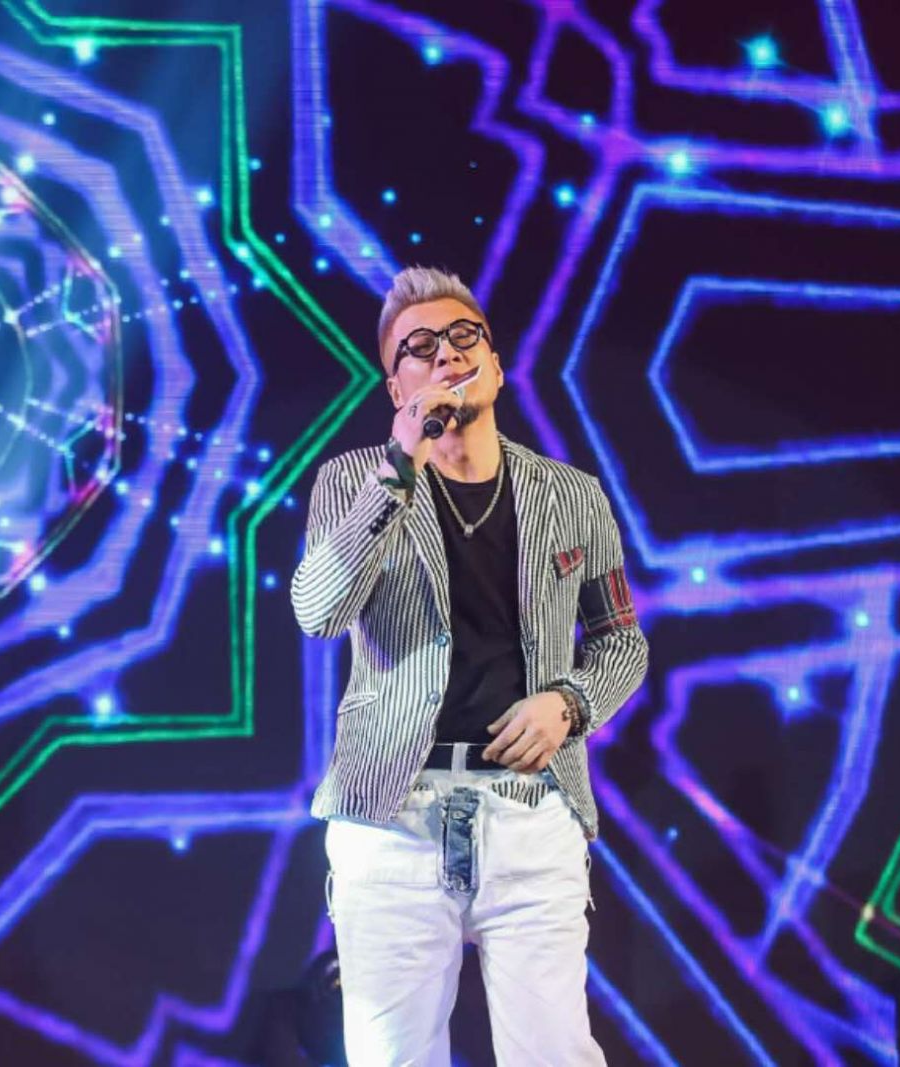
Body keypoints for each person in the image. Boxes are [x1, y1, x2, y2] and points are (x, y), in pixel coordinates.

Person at [291, 266, 649, 1065]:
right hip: (392, 815)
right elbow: (318, 610)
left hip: (531, 810)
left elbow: (623, 641)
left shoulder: (573, 495)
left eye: (463, 337)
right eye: (420, 347)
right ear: (397, 388)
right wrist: (399, 467)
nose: (447, 354)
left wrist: (570, 702)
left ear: (496, 360)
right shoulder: (352, 481)